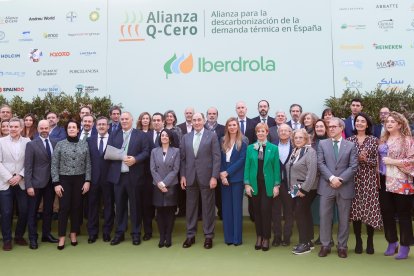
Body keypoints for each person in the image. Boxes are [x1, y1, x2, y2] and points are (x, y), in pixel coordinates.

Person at [106, 112, 150, 246]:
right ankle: (119, 233)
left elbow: (146, 152)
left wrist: (135, 159)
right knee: (119, 206)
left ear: (132, 120)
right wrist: (121, 156)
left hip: (135, 177)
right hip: (118, 177)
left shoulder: (141, 135)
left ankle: (136, 233)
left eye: (126, 119)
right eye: (122, 119)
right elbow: (108, 152)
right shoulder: (114, 134)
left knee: (135, 206)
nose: (124, 121)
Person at [317, 117, 358, 258]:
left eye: (334, 126)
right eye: (330, 126)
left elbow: (353, 166)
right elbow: (320, 164)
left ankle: (342, 246)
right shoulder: (322, 144)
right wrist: (332, 178)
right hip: (326, 186)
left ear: (341, 128)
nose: (331, 128)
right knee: (324, 217)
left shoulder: (351, 145)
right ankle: (325, 245)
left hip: (344, 186)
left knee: (344, 218)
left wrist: (340, 179)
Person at [180, 113, 221, 249]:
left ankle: (208, 236)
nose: (196, 122)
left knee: (208, 208)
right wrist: (183, 176)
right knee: (190, 208)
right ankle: (190, 235)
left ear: (204, 121)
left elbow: (217, 157)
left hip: (207, 177)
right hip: (190, 177)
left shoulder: (212, 135)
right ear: (191, 122)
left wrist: (214, 176)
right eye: (194, 120)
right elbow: (183, 159)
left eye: (199, 120)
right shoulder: (186, 137)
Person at [51, 120, 91, 250]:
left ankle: (73, 234)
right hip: (64, 181)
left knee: (76, 208)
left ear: (78, 130)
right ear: (66, 130)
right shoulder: (60, 144)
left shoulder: (84, 144)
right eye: (70, 127)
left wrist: (87, 181)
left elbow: (88, 164)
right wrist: (56, 183)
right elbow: (54, 164)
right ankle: (61, 237)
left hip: (79, 180)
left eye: (74, 127)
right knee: (64, 208)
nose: (72, 129)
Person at [379, 111, 414, 259]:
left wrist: (393, 162)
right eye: (387, 121)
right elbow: (380, 159)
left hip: (401, 181)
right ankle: (392, 242)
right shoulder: (383, 139)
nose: (389, 123)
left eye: (393, 121)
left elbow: (412, 160)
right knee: (387, 213)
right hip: (384, 180)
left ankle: (405, 246)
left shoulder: (407, 140)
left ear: (400, 124)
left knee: (403, 215)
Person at [346, 112, 383, 254]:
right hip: (353, 179)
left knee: (369, 210)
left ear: (367, 124)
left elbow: (378, 163)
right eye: (357, 121)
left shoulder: (374, 140)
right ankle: (358, 241)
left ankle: (370, 241)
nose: (359, 123)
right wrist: (357, 159)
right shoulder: (349, 140)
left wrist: (366, 160)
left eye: (362, 121)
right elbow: (345, 161)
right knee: (355, 210)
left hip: (369, 179)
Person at [244, 123, 281, 251]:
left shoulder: (274, 148)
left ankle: (266, 237)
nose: (260, 133)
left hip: (268, 185)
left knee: (266, 211)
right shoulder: (250, 148)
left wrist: (276, 185)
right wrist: (247, 184)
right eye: (258, 131)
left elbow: (277, 168)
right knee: (257, 212)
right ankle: (259, 236)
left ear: (267, 132)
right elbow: (247, 167)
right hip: (254, 185)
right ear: (256, 133)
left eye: (262, 131)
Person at [24, 120, 59, 250]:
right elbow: (27, 167)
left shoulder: (55, 142)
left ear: (49, 128)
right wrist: (29, 185)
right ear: (38, 129)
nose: (44, 130)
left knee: (48, 211)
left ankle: (46, 234)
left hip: (51, 183)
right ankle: (33, 238)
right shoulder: (31, 145)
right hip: (36, 183)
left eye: (46, 128)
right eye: (42, 128)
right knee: (32, 212)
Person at [0, 118, 30, 251]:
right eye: (10, 126)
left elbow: (29, 162)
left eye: (15, 127)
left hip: (21, 181)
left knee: (24, 210)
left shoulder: (28, 142)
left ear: (21, 128)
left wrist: (20, 175)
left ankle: (18, 236)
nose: (12, 129)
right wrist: (9, 177)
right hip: (5, 182)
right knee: (6, 212)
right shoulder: (0, 142)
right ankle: (7, 239)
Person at [287, 129, 318, 255]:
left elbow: (312, 172)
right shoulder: (295, 151)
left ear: (306, 139)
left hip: (306, 188)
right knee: (304, 213)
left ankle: (304, 243)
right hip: (295, 188)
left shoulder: (310, 151)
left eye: (301, 137)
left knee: (300, 213)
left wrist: (304, 189)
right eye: (296, 138)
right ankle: (309, 242)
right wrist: (294, 189)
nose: (298, 140)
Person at [150, 129, 180, 248]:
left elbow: (175, 169)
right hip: (157, 185)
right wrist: (160, 183)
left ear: (170, 138)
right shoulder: (154, 151)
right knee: (160, 212)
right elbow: (152, 169)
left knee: (170, 212)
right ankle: (162, 237)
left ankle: (168, 237)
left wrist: (165, 183)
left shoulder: (176, 151)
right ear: (160, 137)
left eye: (167, 135)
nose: (164, 137)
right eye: (162, 135)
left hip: (171, 185)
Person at [86, 116, 114, 243]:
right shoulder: (89, 140)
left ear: (108, 126)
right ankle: (92, 233)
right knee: (92, 206)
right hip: (93, 179)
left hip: (109, 179)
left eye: (104, 124)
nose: (101, 126)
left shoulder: (114, 139)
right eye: (99, 124)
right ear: (95, 126)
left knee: (108, 206)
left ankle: (107, 232)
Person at [219, 117, 247, 246]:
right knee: (226, 209)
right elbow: (219, 159)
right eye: (229, 125)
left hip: (236, 179)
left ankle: (237, 239)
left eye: (234, 125)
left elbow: (241, 161)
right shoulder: (223, 141)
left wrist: (227, 172)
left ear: (237, 126)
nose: (232, 127)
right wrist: (223, 175)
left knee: (236, 209)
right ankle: (228, 238)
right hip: (224, 179)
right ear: (227, 127)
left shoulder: (243, 142)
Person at [271, 123, 294, 247]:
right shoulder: (272, 145)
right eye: (281, 130)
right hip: (275, 183)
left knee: (289, 211)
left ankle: (287, 236)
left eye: (286, 130)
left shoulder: (296, 145)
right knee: (275, 211)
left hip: (291, 185)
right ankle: (277, 236)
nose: (284, 132)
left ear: (290, 133)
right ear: (278, 132)